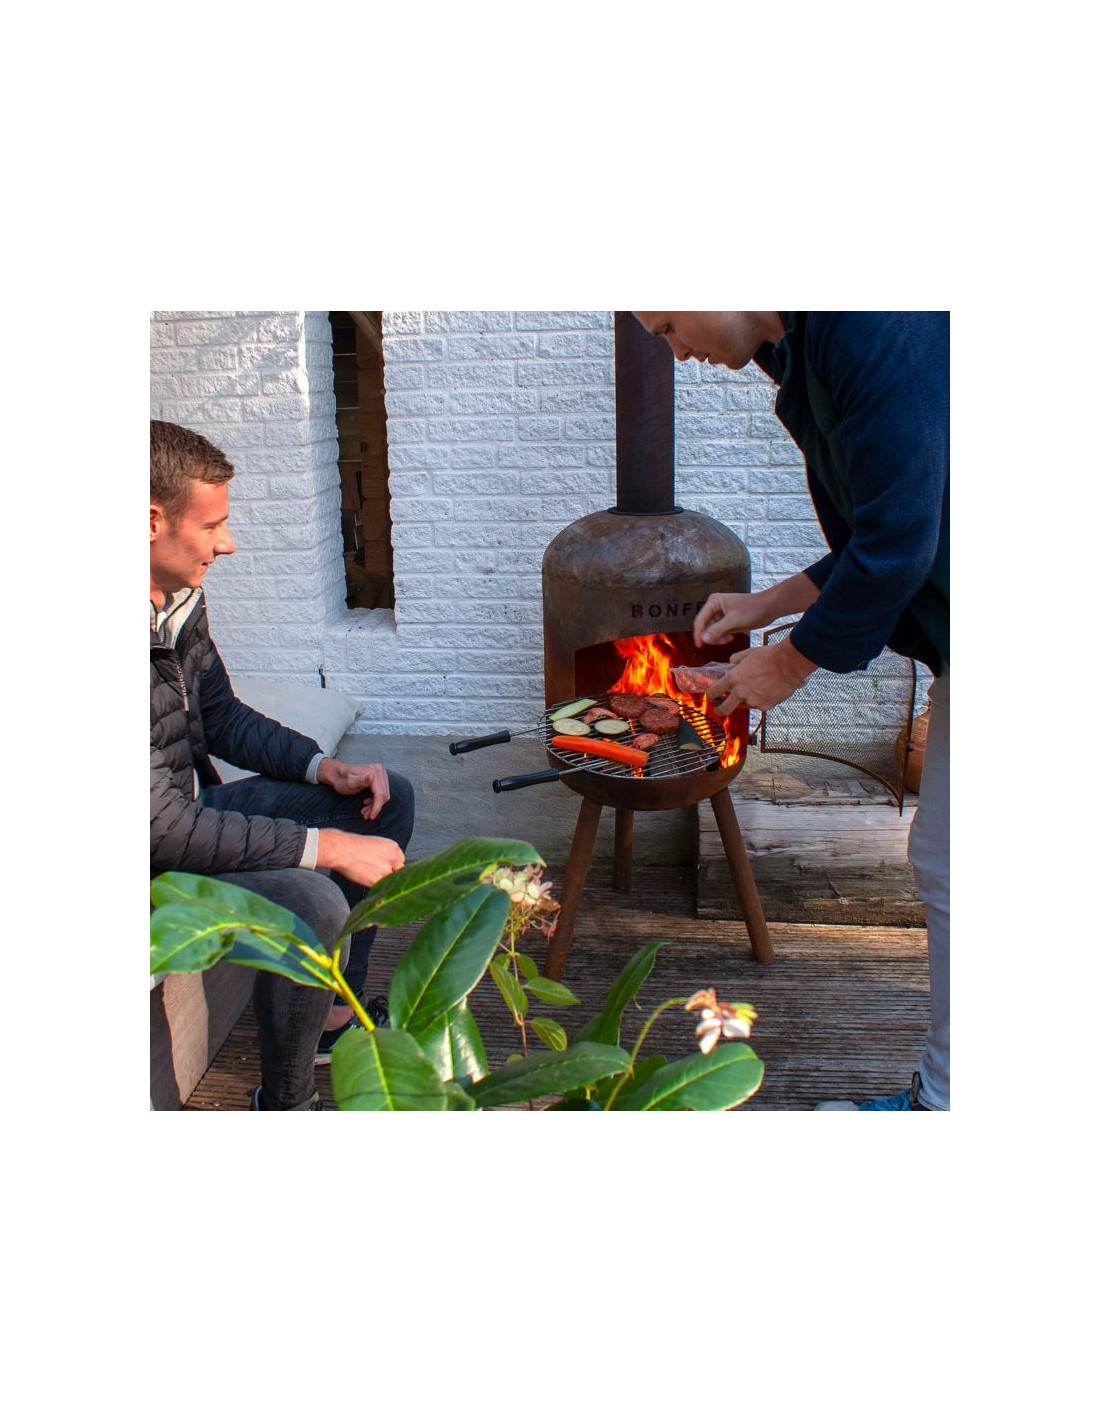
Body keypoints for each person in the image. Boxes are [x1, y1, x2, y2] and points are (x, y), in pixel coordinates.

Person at [633, 312, 949, 1112]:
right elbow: (876, 533)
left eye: (668, 323)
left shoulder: (873, 320)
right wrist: (765, 605)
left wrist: (788, 663)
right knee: (949, 862)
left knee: (954, 866)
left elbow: (899, 542)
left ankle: (943, 1106)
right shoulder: (806, 348)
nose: (677, 352)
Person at [150, 419, 415, 1110]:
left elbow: (222, 717)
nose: (227, 543)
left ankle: (332, 1019)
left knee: (386, 798)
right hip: (155, 852)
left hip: (184, 818)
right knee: (314, 900)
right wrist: (326, 847)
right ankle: (286, 1103)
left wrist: (322, 768)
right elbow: (160, 831)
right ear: (151, 521)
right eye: (212, 526)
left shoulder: (175, 603)